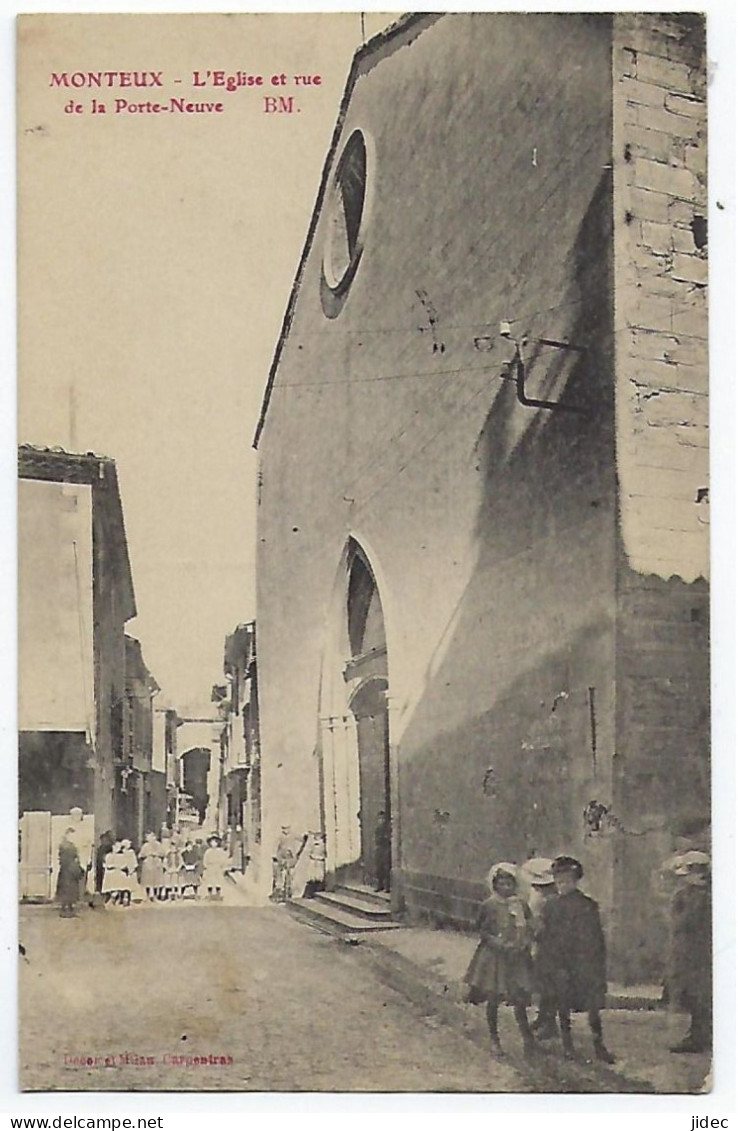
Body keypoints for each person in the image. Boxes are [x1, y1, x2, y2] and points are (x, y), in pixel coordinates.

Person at [538, 855, 615, 1063]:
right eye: (559, 880)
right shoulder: (550, 906)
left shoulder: (588, 905)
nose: (563, 885)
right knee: (562, 1005)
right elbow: (546, 939)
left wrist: (596, 964)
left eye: (567, 880)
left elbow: (596, 938)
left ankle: (599, 1046)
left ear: (576, 880)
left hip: (584, 964)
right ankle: (568, 1045)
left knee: (593, 1007)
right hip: (561, 964)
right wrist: (552, 965)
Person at [464, 862, 536, 1058]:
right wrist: (499, 943)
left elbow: (530, 926)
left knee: (519, 998)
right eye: (501, 884)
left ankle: (527, 1036)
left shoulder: (520, 904)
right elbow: (482, 930)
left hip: (517, 957)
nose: (505, 888)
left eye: (509, 884)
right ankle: (494, 1038)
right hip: (496, 957)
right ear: (495, 885)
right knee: (494, 998)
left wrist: (525, 942)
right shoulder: (489, 905)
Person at [667, 850, 711, 1054]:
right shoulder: (684, 894)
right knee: (693, 995)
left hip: (703, 953)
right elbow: (676, 923)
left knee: (702, 995)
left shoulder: (706, 895)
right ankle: (697, 1035)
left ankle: (700, 1037)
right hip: (686, 951)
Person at [520, 856, 559, 1040]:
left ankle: (550, 1023)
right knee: (541, 984)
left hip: (552, 946)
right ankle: (542, 1017)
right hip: (539, 944)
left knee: (550, 986)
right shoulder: (536, 897)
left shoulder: (553, 899)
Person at [56, 827, 85, 918]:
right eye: (72, 835)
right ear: (67, 836)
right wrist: (75, 866)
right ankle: (66, 910)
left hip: (70, 871)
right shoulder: (65, 846)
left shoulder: (69, 845)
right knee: (67, 890)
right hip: (68, 871)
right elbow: (65, 860)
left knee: (70, 891)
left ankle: (68, 908)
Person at [202, 834, 230, 900]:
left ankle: (218, 894)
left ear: (217, 843)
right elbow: (205, 860)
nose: (214, 843)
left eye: (215, 842)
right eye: (212, 842)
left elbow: (223, 859)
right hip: (210, 867)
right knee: (210, 881)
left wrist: (223, 867)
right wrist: (206, 866)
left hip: (217, 867)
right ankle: (210, 894)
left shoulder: (220, 851)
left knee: (218, 881)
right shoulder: (208, 852)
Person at [139, 832, 164, 901]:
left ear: (154, 837)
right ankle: (148, 896)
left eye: (150, 837)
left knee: (156, 881)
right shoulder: (145, 846)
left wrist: (157, 854)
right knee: (147, 881)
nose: (148, 839)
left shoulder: (158, 845)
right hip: (148, 864)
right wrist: (147, 854)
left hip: (156, 864)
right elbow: (140, 855)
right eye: (147, 837)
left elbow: (163, 853)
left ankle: (155, 896)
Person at [101, 841, 125, 905]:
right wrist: (107, 865)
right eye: (116, 847)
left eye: (119, 847)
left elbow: (123, 865)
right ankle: (111, 897)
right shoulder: (108, 855)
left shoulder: (121, 856)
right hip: (110, 873)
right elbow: (105, 864)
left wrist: (118, 866)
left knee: (117, 886)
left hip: (117, 873)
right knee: (110, 886)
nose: (117, 848)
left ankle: (115, 898)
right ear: (113, 847)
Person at [374, 810, 391, 892]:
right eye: (379, 819)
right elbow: (376, 839)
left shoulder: (387, 828)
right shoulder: (377, 828)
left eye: (382, 818)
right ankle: (380, 885)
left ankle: (387, 886)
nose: (381, 820)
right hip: (379, 848)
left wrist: (384, 838)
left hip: (386, 849)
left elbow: (388, 838)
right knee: (379, 868)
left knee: (386, 867)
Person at [95, 830, 114, 894]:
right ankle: (100, 888)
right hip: (100, 864)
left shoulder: (108, 847)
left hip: (104, 864)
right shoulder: (102, 848)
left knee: (103, 877)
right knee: (100, 876)